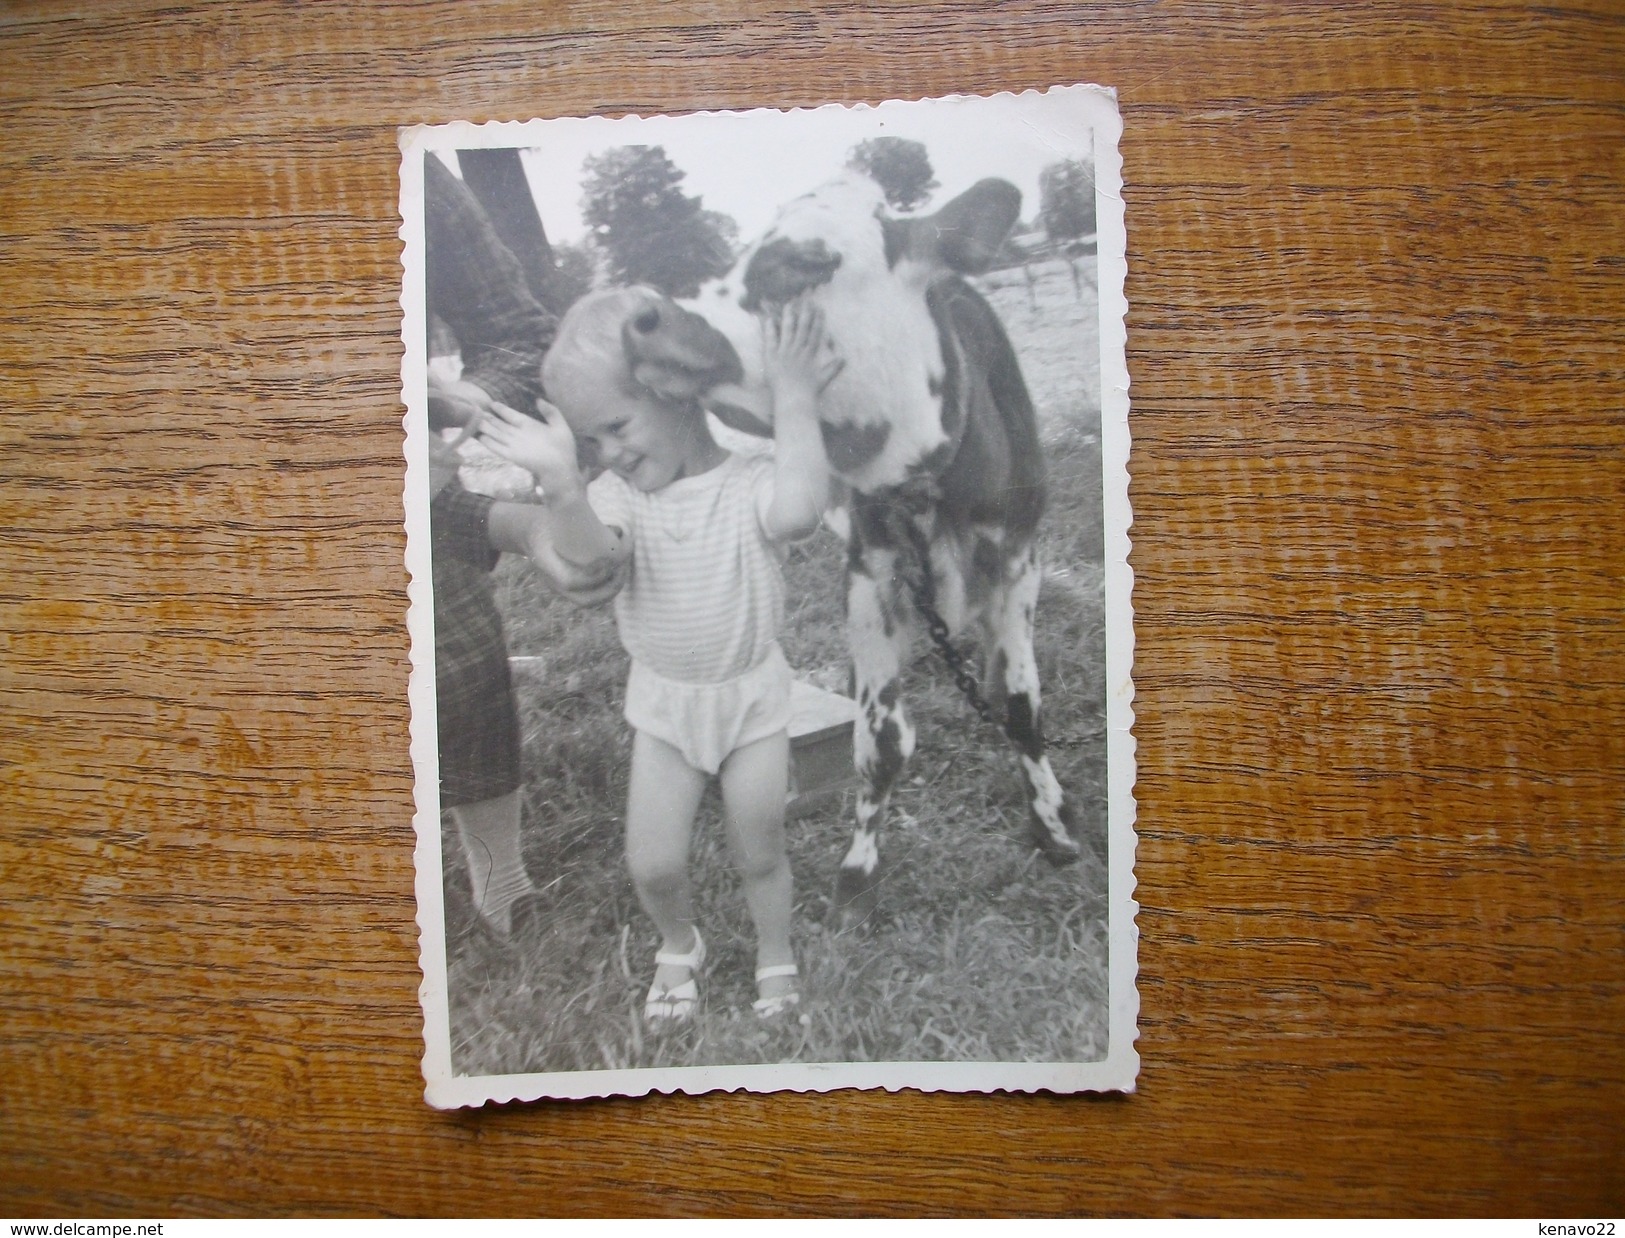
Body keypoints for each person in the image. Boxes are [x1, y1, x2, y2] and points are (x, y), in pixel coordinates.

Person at [475, 287, 838, 1021]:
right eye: (591, 443)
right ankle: (679, 944)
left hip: (751, 700)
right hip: (666, 706)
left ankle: (776, 953)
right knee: (654, 861)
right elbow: (589, 560)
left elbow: (800, 512)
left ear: (671, 393)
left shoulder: (747, 481)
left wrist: (795, 396)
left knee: (760, 851)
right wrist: (564, 485)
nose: (608, 452)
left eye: (614, 426)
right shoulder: (618, 499)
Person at [423, 152, 613, 937]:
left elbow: (515, 332)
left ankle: (499, 878)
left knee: (454, 642)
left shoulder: (415, 177)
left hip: (403, 478)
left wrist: (461, 401)